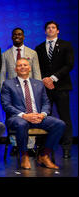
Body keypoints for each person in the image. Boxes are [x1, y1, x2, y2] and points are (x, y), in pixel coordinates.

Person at [1, 57, 65, 170]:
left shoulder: (39, 84)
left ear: (29, 68)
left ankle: (44, 155)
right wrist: (24, 115)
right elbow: (6, 105)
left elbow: (46, 103)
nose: (23, 67)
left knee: (60, 124)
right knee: (22, 124)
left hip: (38, 117)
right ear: (15, 69)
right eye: (20, 65)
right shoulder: (8, 84)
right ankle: (24, 155)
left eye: (25, 65)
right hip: (18, 118)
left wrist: (43, 114)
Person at [35, 21, 75, 159]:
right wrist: (45, 81)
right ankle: (44, 148)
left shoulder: (66, 45)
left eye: (53, 28)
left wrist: (53, 78)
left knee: (65, 118)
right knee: (44, 117)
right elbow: (37, 68)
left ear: (58, 30)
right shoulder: (39, 48)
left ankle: (66, 148)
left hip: (61, 87)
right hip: (45, 88)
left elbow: (69, 65)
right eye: (48, 28)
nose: (50, 30)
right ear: (45, 31)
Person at [0, 27, 41, 155]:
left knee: (31, 116)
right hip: (12, 92)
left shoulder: (32, 53)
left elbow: (37, 73)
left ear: (23, 37)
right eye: (15, 35)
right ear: (12, 37)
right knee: (14, 117)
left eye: (19, 34)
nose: (17, 36)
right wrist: (3, 91)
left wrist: (38, 91)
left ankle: (30, 146)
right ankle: (15, 144)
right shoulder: (5, 54)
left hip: (30, 90)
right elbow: (2, 74)